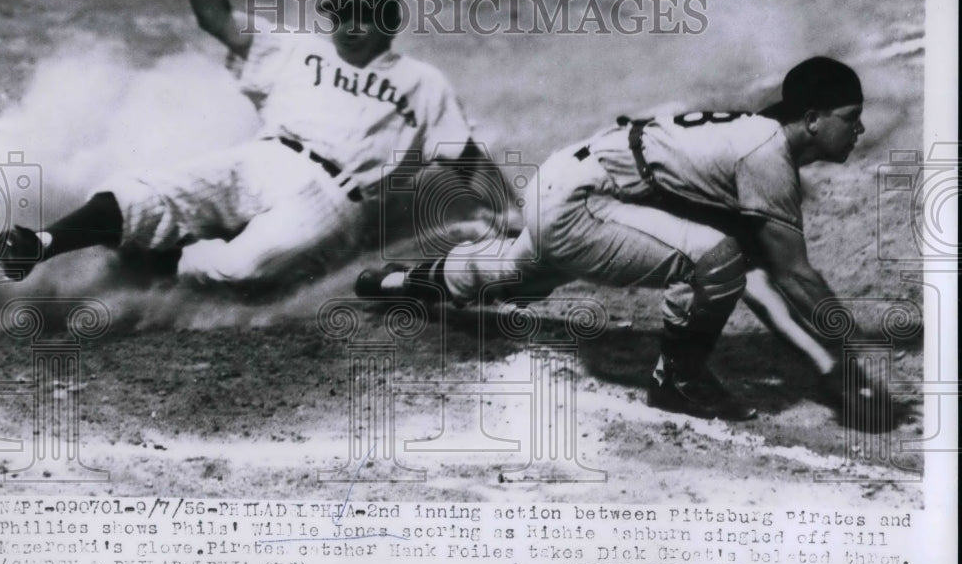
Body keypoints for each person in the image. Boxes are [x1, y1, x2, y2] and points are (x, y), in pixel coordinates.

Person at [0, 0, 500, 288]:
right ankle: (40, 243)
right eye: (341, 14)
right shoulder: (300, 47)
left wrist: (509, 218)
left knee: (243, 269)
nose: (348, 25)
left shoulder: (421, 82)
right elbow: (216, 18)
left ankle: (165, 263)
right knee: (149, 193)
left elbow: (468, 159)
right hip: (261, 157)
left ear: (387, 22)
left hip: (330, 197)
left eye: (361, 15)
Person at [357, 57, 884, 422]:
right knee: (714, 260)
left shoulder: (752, 133)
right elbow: (789, 274)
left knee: (515, 276)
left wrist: (831, 363)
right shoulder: (766, 158)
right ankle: (678, 380)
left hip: (571, 182)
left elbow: (765, 280)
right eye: (850, 120)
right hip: (584, 203)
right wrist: (847, 353)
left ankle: (399, 283)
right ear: (811, 120)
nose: (857, 132)